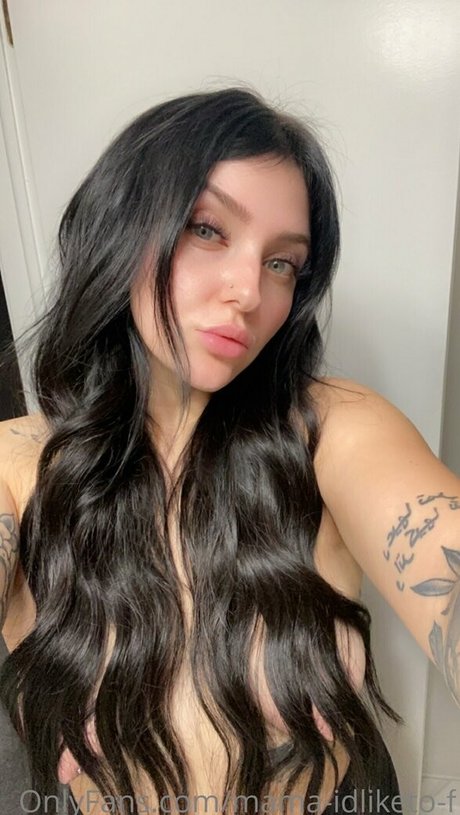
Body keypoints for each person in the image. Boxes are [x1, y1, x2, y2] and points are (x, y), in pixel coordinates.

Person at [0, 86, 458, 815]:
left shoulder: (333, 430)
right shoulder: (19, 465)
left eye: (283, 263)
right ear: (122, 227)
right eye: (208, 229)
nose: (249, 290)